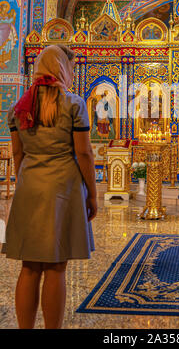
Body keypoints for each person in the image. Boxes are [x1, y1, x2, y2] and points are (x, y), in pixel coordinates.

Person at [1, 44, 97, 329]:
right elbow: (83, 154)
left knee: (29, 267)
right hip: (64, 188)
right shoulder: (73, 104)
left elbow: (18, 154)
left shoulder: (18, 107)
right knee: (56, 267)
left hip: (30, 185)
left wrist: (26, 181)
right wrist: (92, 194)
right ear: (62, 69)